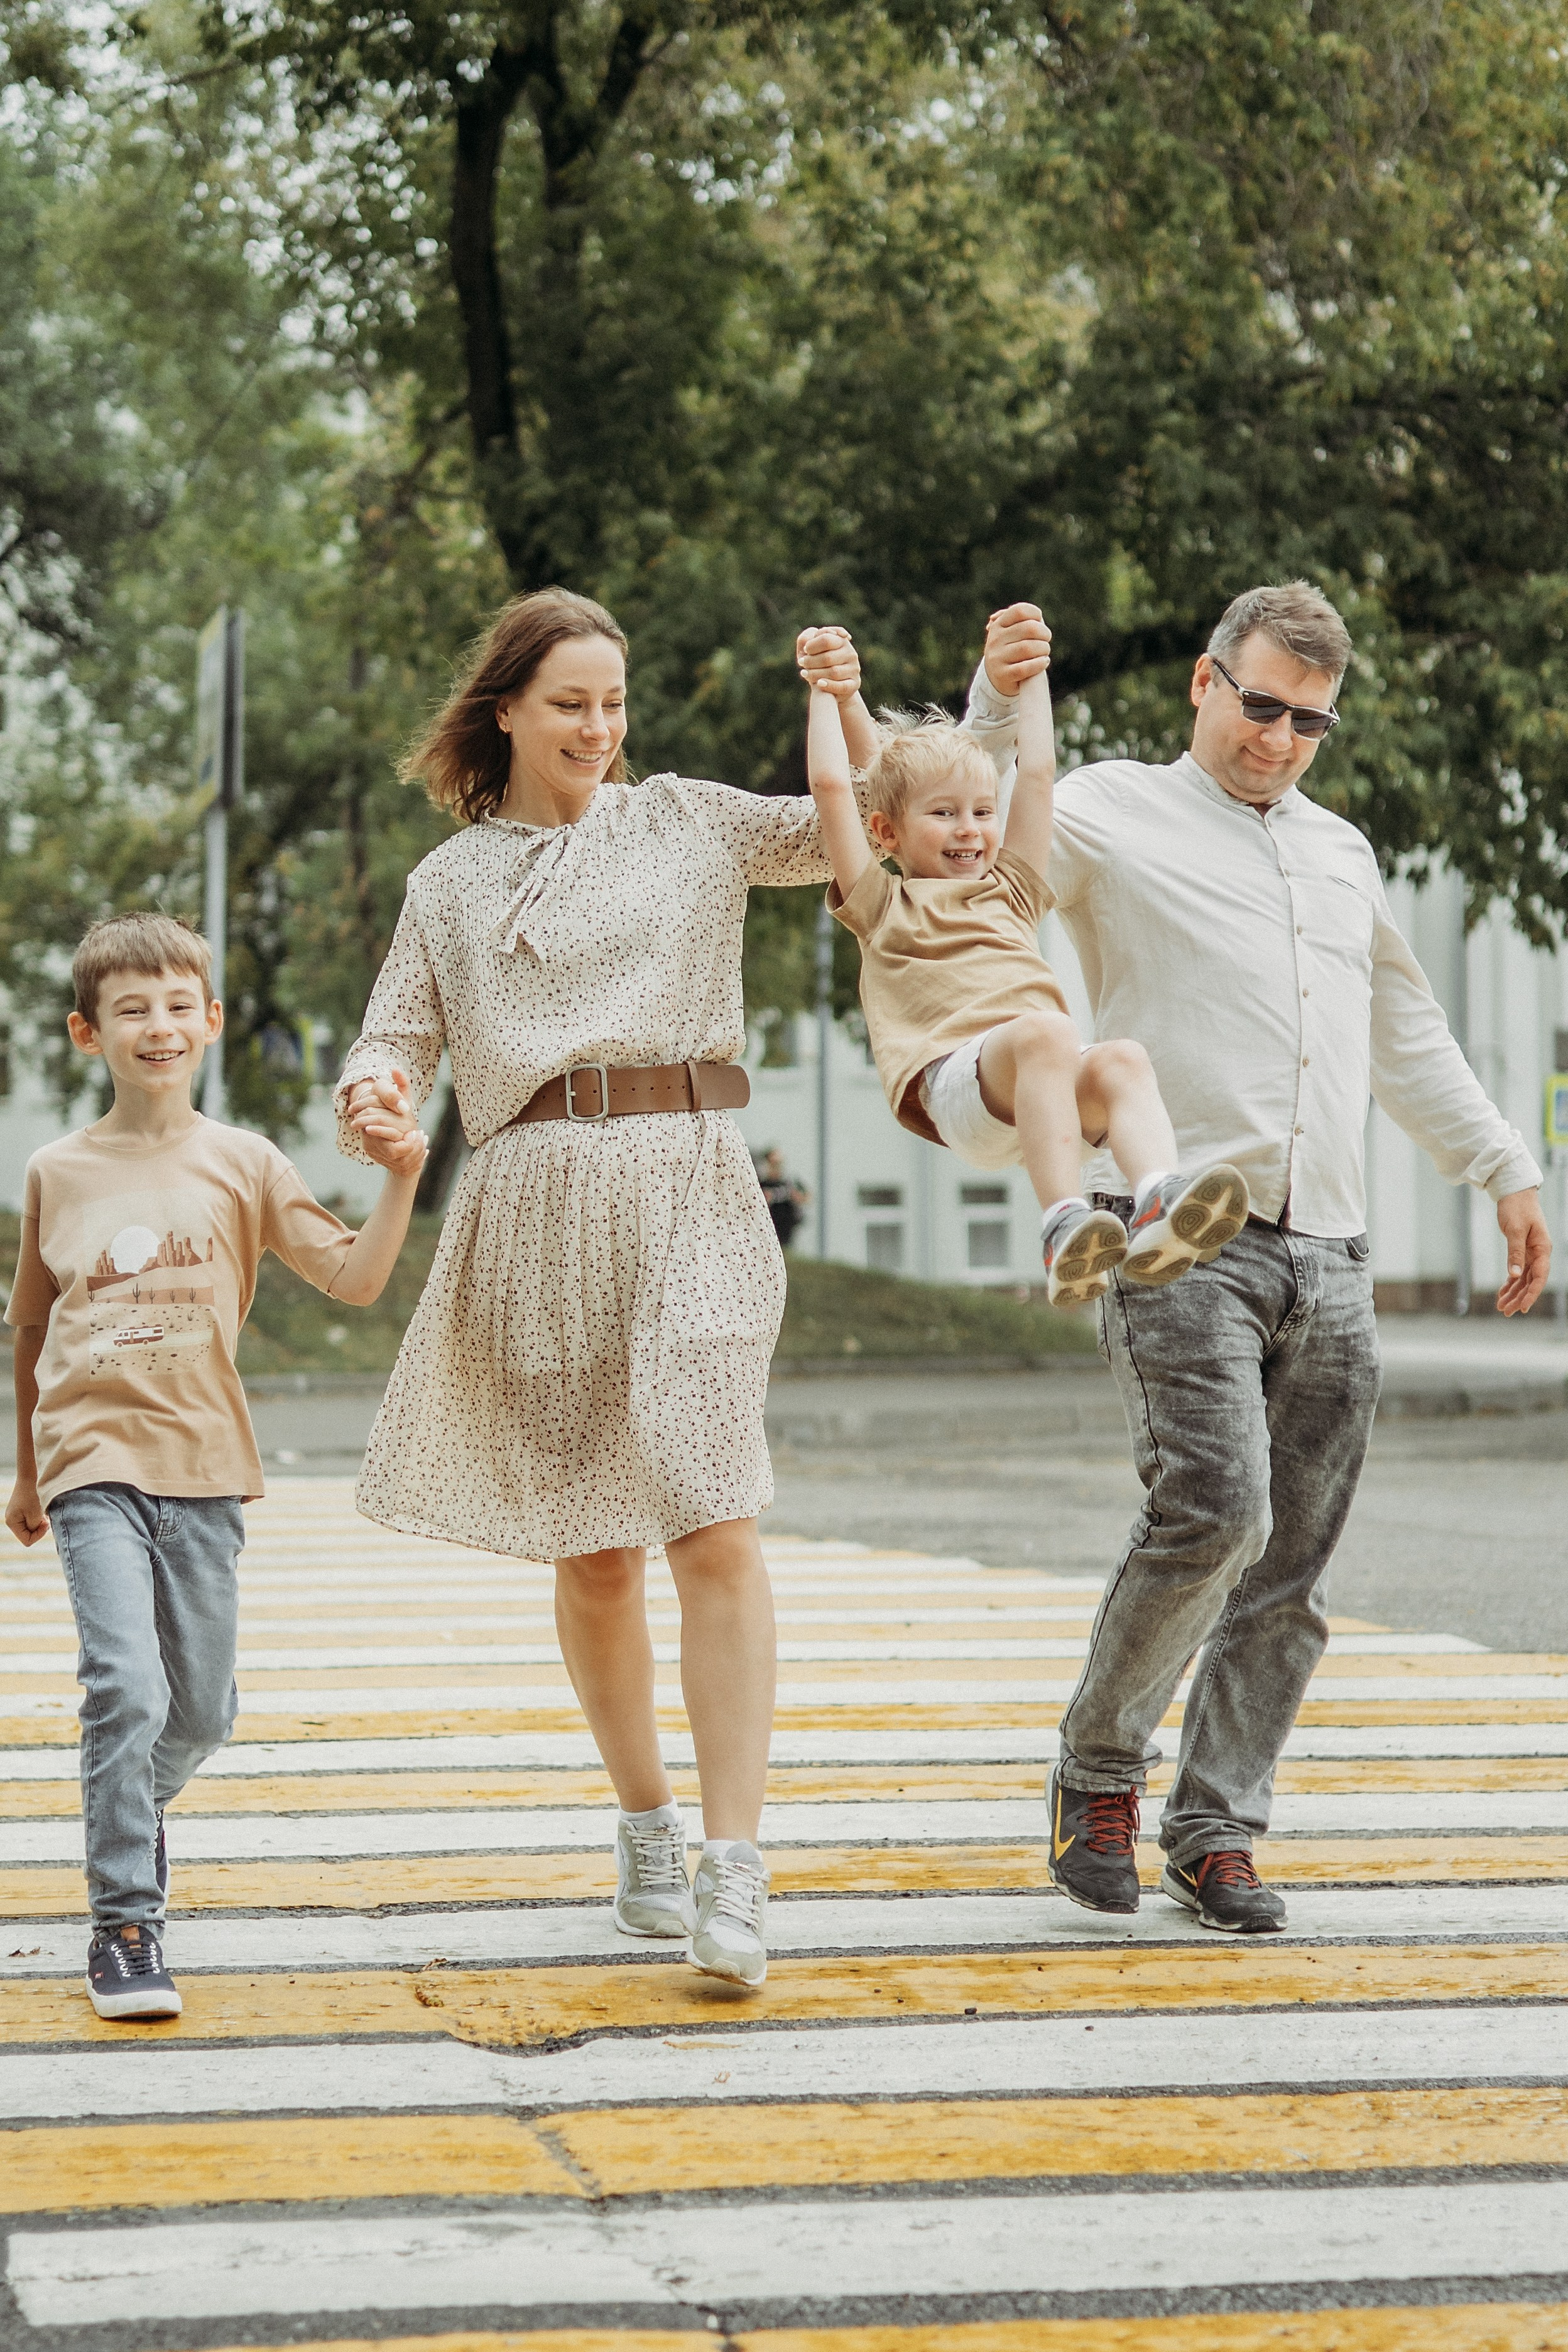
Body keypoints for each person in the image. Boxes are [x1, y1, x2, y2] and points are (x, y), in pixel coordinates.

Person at [805, 580, 1550, 1934]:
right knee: (1215, 1509)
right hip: (1172, 1236)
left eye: (1308, 721)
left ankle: (1219, 1832)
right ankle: (1098, 1772)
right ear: (1205, 684)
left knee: (1291, 1569)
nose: (1278, 738)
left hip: (1329, 1244)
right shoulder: (1107, 811)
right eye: (1259, 703)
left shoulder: (1340, 854)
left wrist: (1505, 1166)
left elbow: (1403, 1027)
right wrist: (1002, 677)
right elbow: (974, 806)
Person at [335, 587, 861, 1991]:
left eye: (613, 702)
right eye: (571, 702)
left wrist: (860, 703)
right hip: (532, 1208)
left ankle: (735, 1869)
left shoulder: (685, 818)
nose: (599, 727)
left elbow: (848, 831)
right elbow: (395, 1034)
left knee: (713, 1513)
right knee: (596, 1552)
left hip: (691, 1178)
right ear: (505, 708)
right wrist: (379, 1097)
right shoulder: (447, 884)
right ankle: (645, 1821)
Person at [4, 913, 424, 2019]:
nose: (159, 1025)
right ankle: (125, 1921)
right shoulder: (57, 1168)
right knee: (125, 1689)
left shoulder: (243, 1161)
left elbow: (356, 1279)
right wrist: (23, 1471)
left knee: (198, 1714)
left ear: (213, 1022)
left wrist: (399, 1179)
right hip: (90, 1458)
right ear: (87, 1031)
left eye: (178, 1005)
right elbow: (30, 1332)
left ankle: (122, 1816)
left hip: (204, 1468)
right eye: (132, 1008)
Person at [803, 632, 1250, 1305]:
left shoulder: (1009, 889)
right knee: (1047, 1032)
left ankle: (1157, 1198)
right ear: (888, 835)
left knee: (1122, 1057)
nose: (971, 830)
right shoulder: (880, 902)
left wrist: (1036, 676)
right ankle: (1060, 1224)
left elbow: (1037, 771)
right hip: (955, 1084)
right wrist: (824, 694)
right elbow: (832, 784)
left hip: (1038, 1089)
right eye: (944, 814)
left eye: (983, 812)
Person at [756, 1148, 808, 1250]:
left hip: (786, 1227)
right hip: (767, 1229)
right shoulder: (760, 1183)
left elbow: (807, 1197)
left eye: (779, 1164)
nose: (777, 1167)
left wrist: (797, 1197)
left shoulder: (789, 1182)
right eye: (773, 1164)